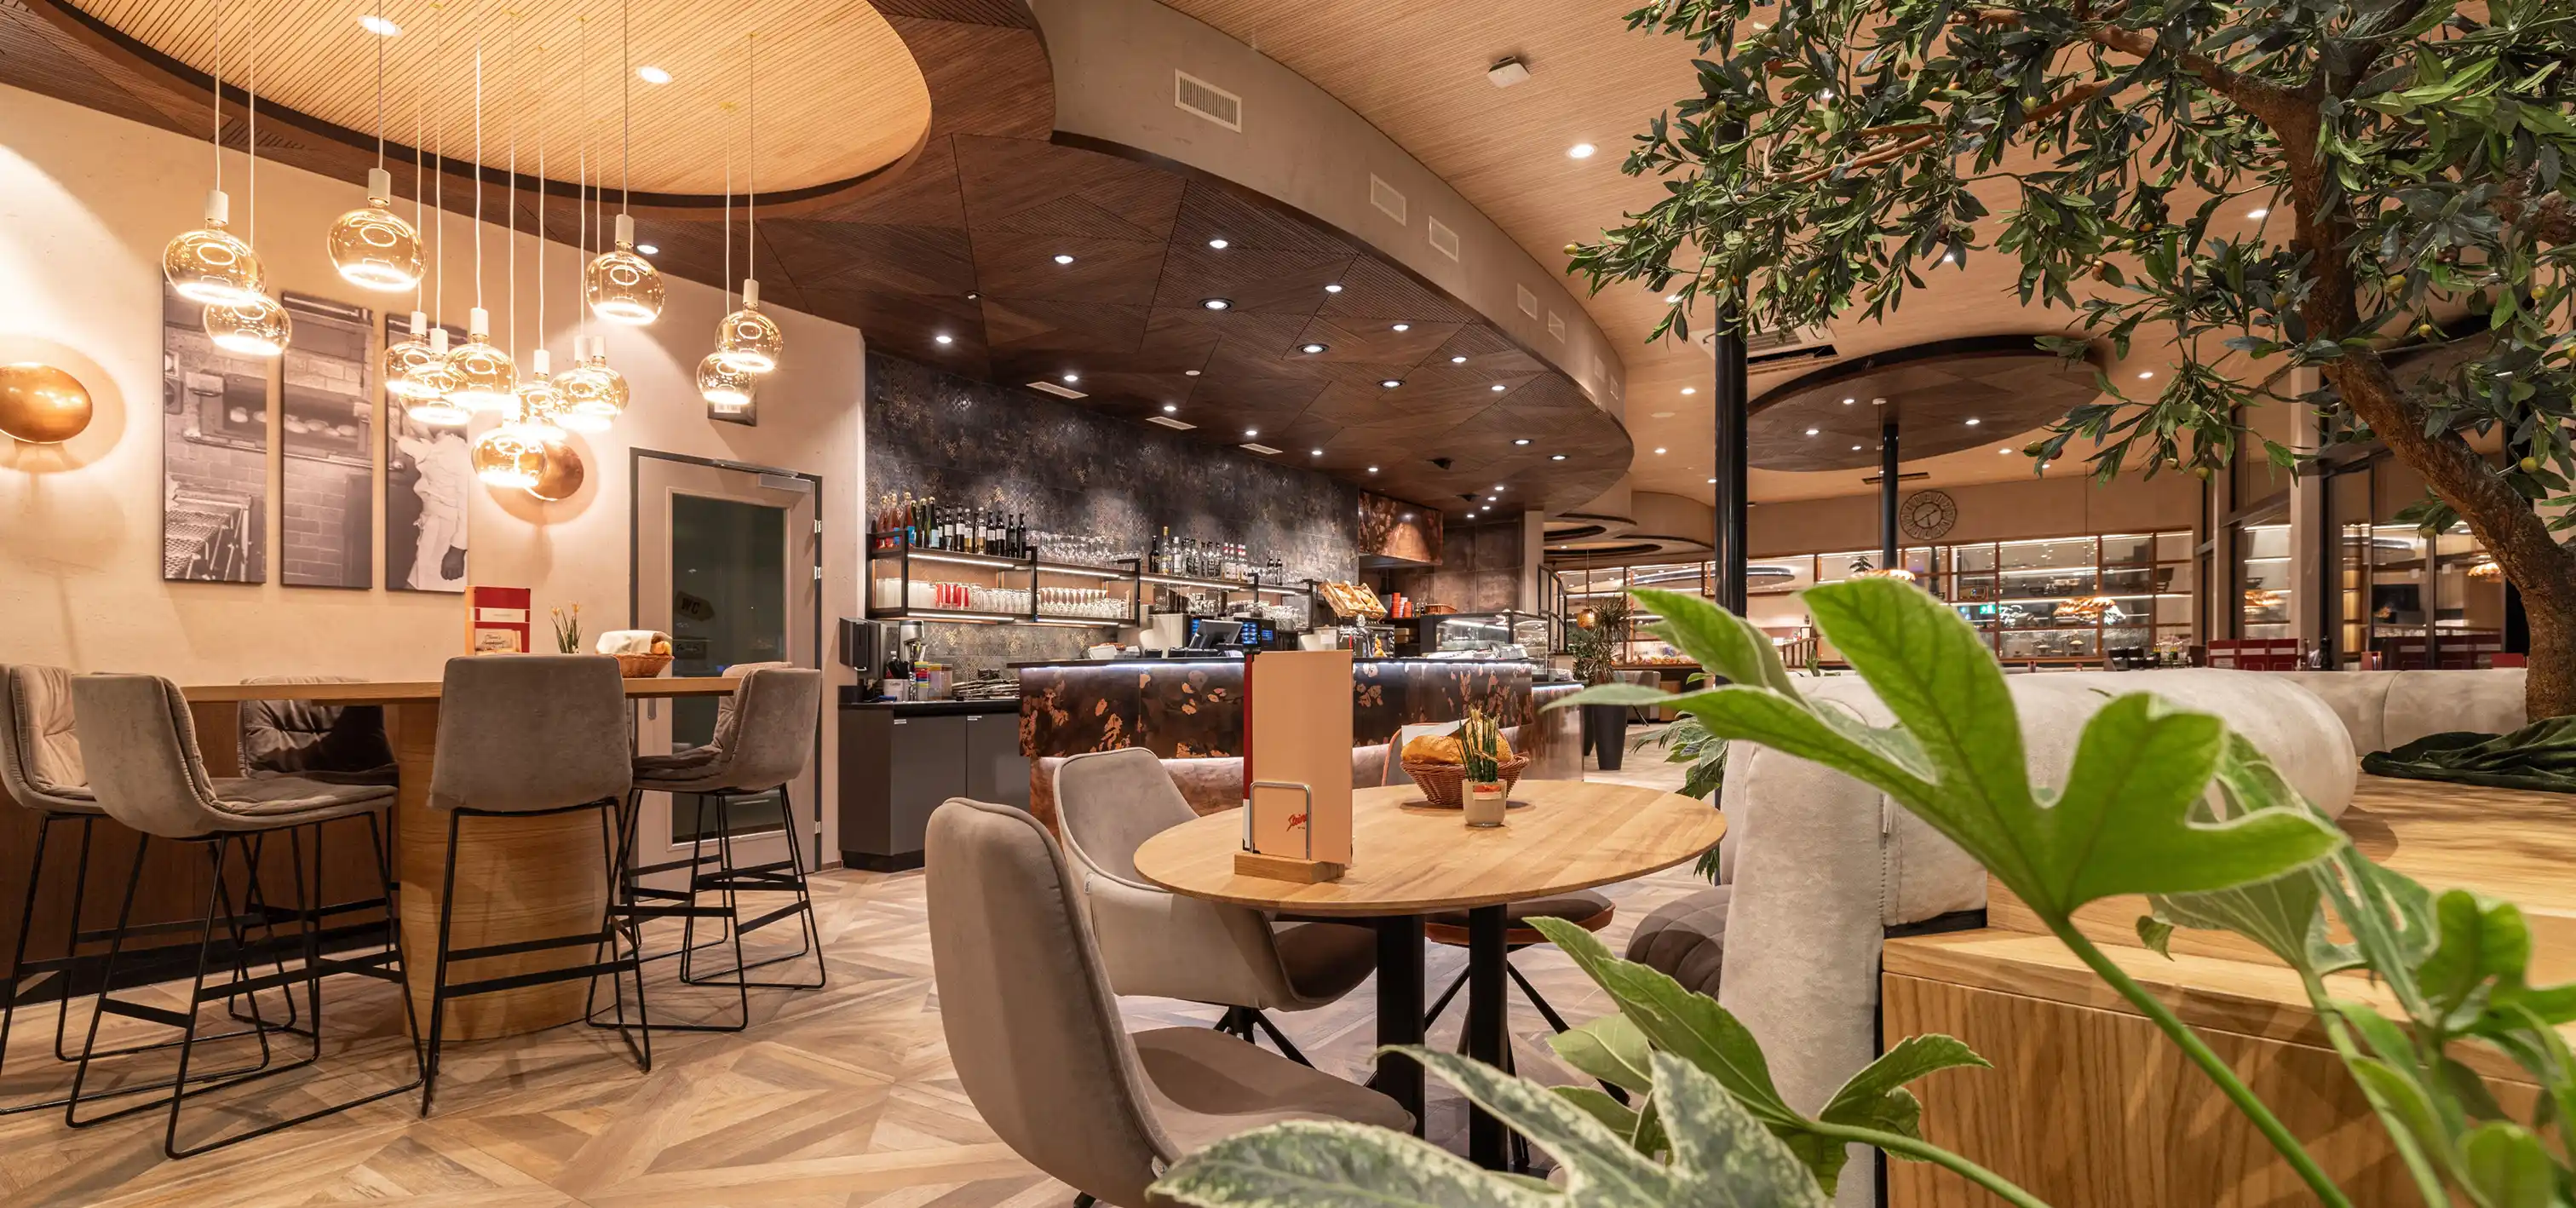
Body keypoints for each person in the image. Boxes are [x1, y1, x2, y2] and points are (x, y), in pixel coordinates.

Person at [394, 426, 469, 590]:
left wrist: (457, 551)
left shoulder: (459, 453)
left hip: (449, 536)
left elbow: (469, 509)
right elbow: (425, 452)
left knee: (435, 592)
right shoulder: (442, 445)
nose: (409, 422)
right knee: (417, 586)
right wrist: (397, 436)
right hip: (434, 529)